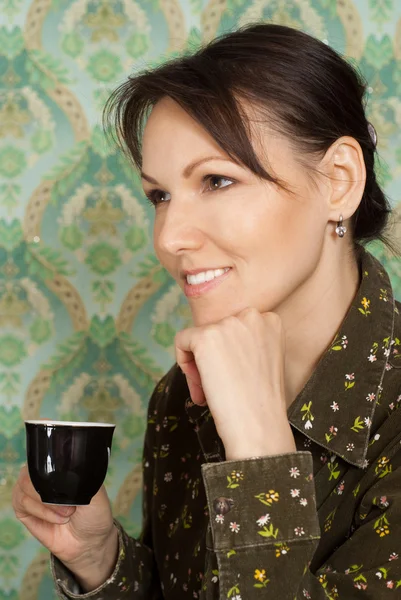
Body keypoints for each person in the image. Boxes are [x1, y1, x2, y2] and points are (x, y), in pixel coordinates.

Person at [12, 23, 401, 599]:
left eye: (217, 180)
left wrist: (261, 453)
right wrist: (100, 559)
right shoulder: (182, 398)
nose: (169, 237)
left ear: (338, 182)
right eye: (160, 196)